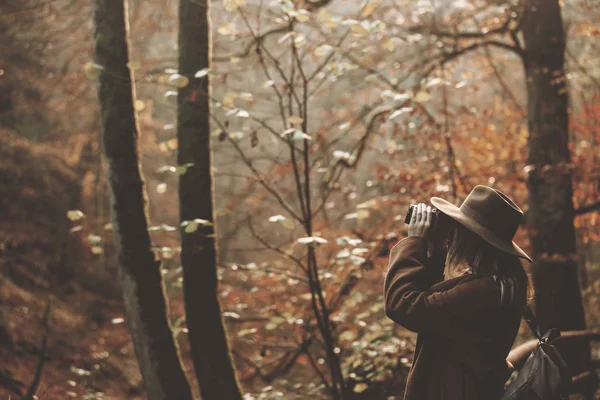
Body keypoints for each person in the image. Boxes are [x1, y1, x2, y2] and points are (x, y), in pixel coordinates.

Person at [384, 185, 531, 400]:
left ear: (472, 238)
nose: (454, 234)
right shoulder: (501, 284)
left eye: (460, 228)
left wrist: (414, 243)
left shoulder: (483, 291)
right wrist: (433, 251)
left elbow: (404, 305)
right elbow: (437, 302)